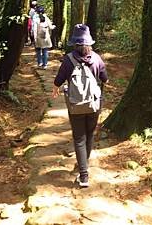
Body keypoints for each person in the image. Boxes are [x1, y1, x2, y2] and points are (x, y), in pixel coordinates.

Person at [52, 24, 107, 188]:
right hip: (93, 105)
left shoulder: (69, 59)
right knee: (89, 134)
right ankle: (84, 165)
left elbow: (59, 79)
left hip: (75, 105)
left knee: (79, 138)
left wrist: (55, 89)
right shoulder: (96, 58)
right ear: (89, 42)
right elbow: (105, 78)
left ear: (75, 43)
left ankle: (84, 175)